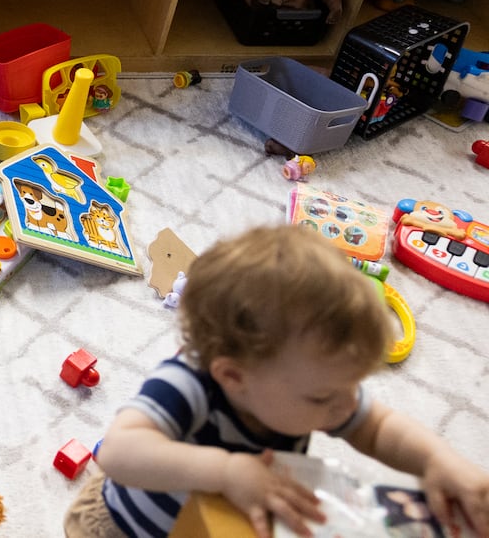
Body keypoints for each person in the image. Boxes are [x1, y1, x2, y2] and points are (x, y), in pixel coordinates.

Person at [66, 224, 489, 538]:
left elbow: (377, 428)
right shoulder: (189, 382)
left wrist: (438, 461)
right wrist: (227, 471)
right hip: (126, 526)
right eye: (324, 396)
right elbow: (120, 452)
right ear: (234, 376)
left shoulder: (313, 386)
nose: (345, 407)